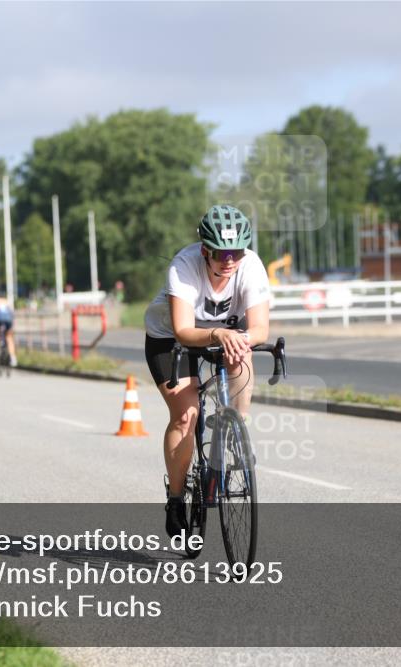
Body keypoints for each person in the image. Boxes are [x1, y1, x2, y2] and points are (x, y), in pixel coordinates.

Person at [143, 204, 271, 538]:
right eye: (220, 253)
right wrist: (218, 334)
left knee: (242, 351)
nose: (229, 260)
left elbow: (259, 329)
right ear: (205, 250)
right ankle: (175, 499)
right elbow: (184, 330)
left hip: (224, 333)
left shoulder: (251, 265)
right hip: (171, 339)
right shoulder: (184, 266)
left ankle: (236, 429)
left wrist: (239, 339)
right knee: (187, 416)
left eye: (236, 253)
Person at [0, 288, 17, 367]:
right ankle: (13, 358)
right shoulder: (7, 301)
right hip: (8, 320)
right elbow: (12, 313)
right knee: (9, 337)